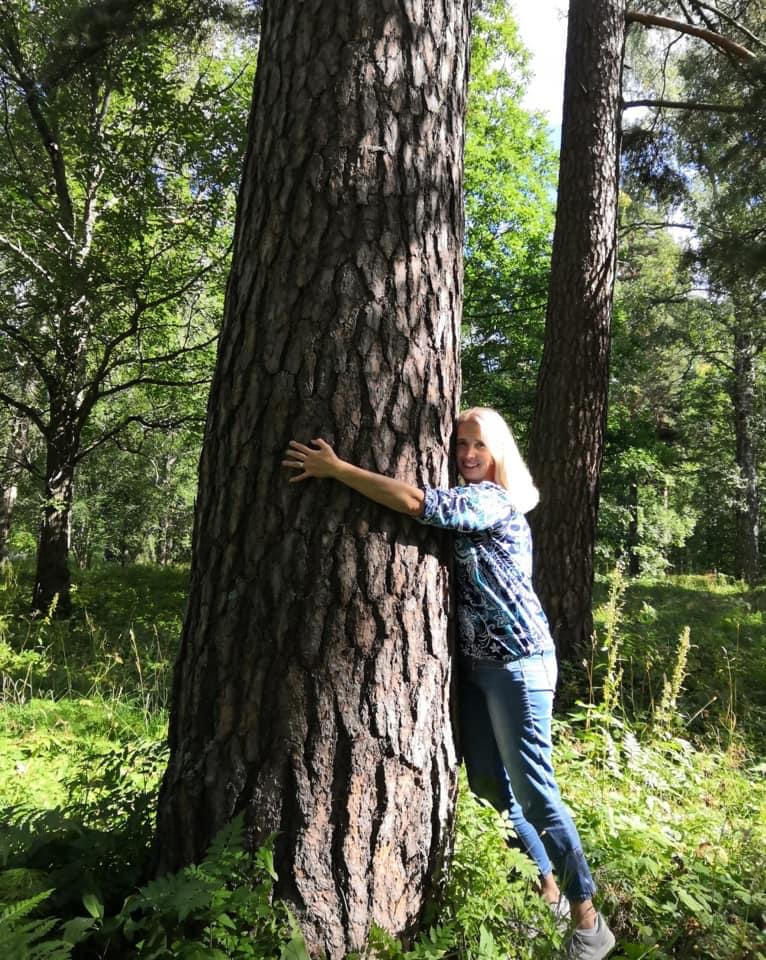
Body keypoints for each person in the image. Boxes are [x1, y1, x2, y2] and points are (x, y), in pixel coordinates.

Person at [282, 406, 615, 960]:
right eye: (460, 443)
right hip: (479, 670)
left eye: (478, 445)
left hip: (518, 662)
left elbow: (417, 503)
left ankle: (588, 921)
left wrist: (338, 469)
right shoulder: (475, 495)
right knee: (488, 784)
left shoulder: (490, 500)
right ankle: (549, 893)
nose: (466, 454)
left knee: (534, 792)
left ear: (499, 452)